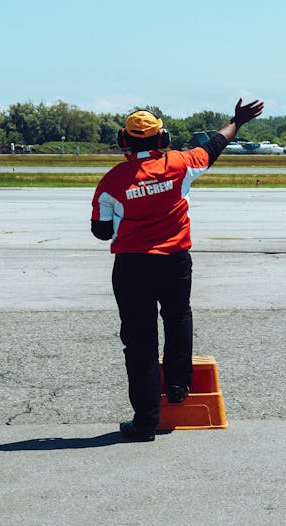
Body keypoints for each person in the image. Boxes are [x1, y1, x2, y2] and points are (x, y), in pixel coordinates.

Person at [92, 99, 264, 442]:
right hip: (174, 259)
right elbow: (214, 145)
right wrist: (237, 121)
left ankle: (145, 422)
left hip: (132, 265)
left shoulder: (111, 181)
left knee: (139, 341)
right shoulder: (180, 164)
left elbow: (101, 230)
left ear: (124, 141)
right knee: (177, 316)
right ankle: (177, 384)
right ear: (163, 139)